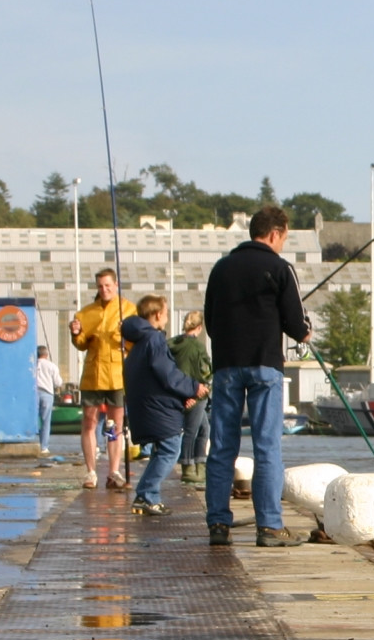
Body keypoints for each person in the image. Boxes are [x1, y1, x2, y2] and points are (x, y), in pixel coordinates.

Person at [204, 205, 309, 546]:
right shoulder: (280, 268)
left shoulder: (221, 269)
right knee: (266, 447)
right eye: (284, 238)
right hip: (265, 366)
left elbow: (209, 320)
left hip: (226, 365)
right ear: (275, 234)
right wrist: (306, 332)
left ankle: (218, 525)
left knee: (222, 447)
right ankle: (269, 527)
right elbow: (297, 325)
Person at [119, 295, 207, 516]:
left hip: (149, 405)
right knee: (170, 449)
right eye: (166, 313)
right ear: (158, 314)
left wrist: (180, 397)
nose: (167, 318)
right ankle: (147, 495)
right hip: (157, 408)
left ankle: (147, 495)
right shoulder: (154, 340)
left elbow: (155, 378)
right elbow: (168, 375)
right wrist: (193, 387)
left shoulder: (139, 342)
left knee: (163, 450)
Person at [69, 268, 136, 490]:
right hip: (93, 375)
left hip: (118, 376)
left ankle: (113, 471)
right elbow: (81, 344)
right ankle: (91, 472)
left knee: (114, 425)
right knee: (89, 422)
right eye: (100, 286)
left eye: (108, 285)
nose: (104, 290)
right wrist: (76, 332)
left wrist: (127, 335)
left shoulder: (129, 310)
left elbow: (136, 344)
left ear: (116, 285)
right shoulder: (86, 313)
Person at [169, 311, 212, 485]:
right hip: (197, 394)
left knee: (204, 429)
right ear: (200, 327)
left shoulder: (172, 344)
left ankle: (200, 466)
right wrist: (201, 392)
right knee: (191, 432)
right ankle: (188, 468)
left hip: (178, 392)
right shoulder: (197, 347)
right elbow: (205, 371)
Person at [33, 345, 65, 457]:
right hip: (47, 394)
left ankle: (32, 442)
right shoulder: (52, 366)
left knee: (33, 418)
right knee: (46, 421)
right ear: (46, 354)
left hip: (33, 393)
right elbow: (58, 383)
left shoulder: (32, 365)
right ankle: (44, 447)